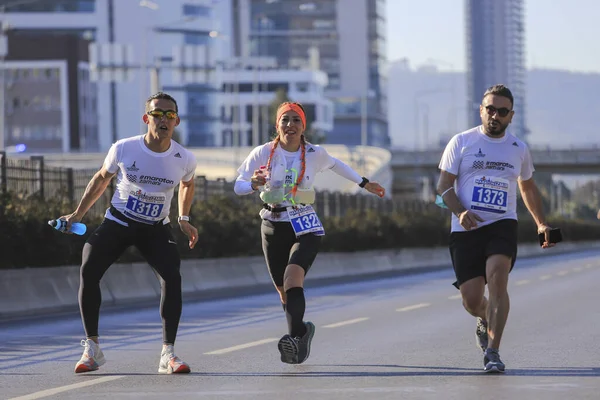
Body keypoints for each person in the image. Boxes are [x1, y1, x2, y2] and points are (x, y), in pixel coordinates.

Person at [234, 102, 386, 365]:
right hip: (272, 223)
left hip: (304, 223)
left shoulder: (315, 153)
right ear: (277, 125)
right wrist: (252, 184)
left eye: (296, 120)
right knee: (283, 290)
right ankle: (302, 333)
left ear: (303, 126)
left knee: (294, 278)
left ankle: (293, 341)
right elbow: (237, 185)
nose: (290, 125)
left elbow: (337, 165)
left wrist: (364, 183)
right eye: (285, 120)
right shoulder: (262, 153)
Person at [60, 92, 198, 374]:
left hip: (155, 229)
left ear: (177, 121)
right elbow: (101, 180)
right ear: (147, 119)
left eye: (169, 115)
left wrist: (183, 218)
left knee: (172, 277)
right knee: (89, 267)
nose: (163, 119)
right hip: (119, 222)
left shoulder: (184, 158)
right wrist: (77, 215)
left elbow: (187, 184)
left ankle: (168, 354)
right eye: (157, 113)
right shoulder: (124, 148)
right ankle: (92, 349)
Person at [436, 84, 558, 373]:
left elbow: (527, 187)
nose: (495, 115)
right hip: (465, 228)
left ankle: (493, 352)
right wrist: (460, 211)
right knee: (472, 299)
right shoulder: (462, 142)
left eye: (502, 111)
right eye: (490, 109)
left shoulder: (518, 148)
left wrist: (541, 223)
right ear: (481, 110)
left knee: (498, 276)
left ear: (511, 116)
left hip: (502, 225)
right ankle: (485, 318)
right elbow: (443, 186)